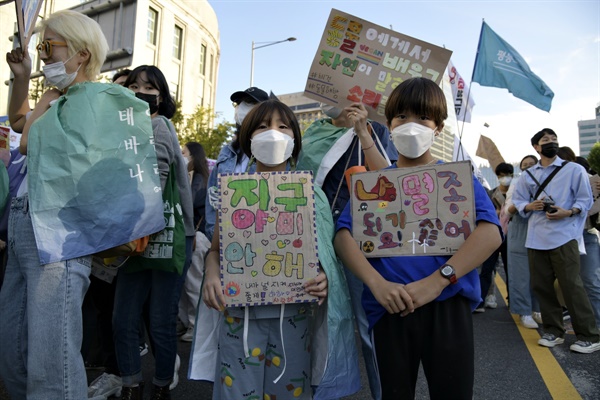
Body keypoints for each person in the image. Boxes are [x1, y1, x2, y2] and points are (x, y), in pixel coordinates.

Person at [334, 77, 502, 399]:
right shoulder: (377, 182)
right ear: (390, 124)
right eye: (402, 117)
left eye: (423, 118)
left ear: (438, 127)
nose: (411, 126)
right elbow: (344, 235)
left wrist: (439, 280)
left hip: (447, 307)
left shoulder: (456, 178)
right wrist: (376, 283)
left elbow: (490, 233)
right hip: (390, 307)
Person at [202, 99, 359, 399]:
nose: (272, 133)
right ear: (249, 140)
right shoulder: (234, 192)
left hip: (294, 318)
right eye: (262, 127)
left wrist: (326, 278)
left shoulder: (312, 195)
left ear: (295, 142)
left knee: (290, 392)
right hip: (240, 317)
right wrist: (211, 275)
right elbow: (215, 251)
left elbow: (326, 255)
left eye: (282, 127)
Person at [0, 10, 112, 399]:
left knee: (51, 357)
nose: (44, 56)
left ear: (80, 54)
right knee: (14, 347)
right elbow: (18, 120)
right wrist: (21, 78)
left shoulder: (96, 100)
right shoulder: (57, 99)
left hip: (57, 226)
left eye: (49, 47)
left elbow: (28, 140)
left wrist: (45, 97)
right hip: (23, 219)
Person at [297, 101, 397, 400]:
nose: (328, 101)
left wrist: (363, 131)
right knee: (315, 323)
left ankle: (384, 394)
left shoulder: (375, 130)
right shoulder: (313, 131)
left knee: (368, 329)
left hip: (357, 240)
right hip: (315, 238)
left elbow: (390, 180)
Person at [112, 65, 194, 399]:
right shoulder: (120, 131)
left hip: (164, 234)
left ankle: (161, 386)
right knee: (123, 318)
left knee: (160, 320)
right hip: (136, 235)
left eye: (148, 87)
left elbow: (157, 180)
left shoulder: (157, 124)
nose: (139, 92)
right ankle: (132, 384)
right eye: (132, 85)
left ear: (161, 96)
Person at [512, 128, 599, 353]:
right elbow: (518, 201)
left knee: (572, 286)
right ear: (536, 147)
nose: (551, 142)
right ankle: (553, 331)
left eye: (554, 139)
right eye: (545, 140)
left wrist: (568, 212)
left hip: (565, 236)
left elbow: (585, 200)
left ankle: (589, 335)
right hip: (535, 238)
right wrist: (529, 206)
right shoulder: (528, 175)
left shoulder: (573, 170)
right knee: (542, 287)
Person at [204, 87, 271, 241]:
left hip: (261, 240)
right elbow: (213, 196)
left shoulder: (274, 152)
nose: (242, 108)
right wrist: (214, 237)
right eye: (239, 103)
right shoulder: (227, 151)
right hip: (226, 239)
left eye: (249, 103)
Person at [178, 141, 211, 342]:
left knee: (192, 285)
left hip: (196, 240)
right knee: (191, 284)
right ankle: (191, 324)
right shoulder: (203, 178)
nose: (181, 156)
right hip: (198, 238)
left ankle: (195, 326)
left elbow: (188, 204)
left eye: (184, 153)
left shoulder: (197, 180)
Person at [504, 155, 542, 328]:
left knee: (540, 273)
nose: (528, 168)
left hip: (542, 229)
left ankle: (538, 309)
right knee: (521, 273)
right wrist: (526, 205)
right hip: (520, 228)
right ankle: (524, 312)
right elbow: (508, 210)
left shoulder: (547, 181)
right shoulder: (517, 183)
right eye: (524, 165)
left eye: (532, 165)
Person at [476, 162, 514, 312]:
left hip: (511, 237)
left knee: (510, 269)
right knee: (487, 269)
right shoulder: (491, 194)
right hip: (493, 236)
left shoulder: (516, 193)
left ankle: (513, 301)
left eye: (508, 175)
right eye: (502, 175)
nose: (505, 178)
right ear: (497, 176)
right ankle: (480, 301)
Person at [574, 156, 600, 328]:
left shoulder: (594, 182)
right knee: (573, 284)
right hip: (563, 238)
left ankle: (597, 324)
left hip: (586, 235)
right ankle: (583, 324)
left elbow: (589, 210)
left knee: (590, 281)